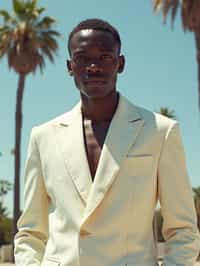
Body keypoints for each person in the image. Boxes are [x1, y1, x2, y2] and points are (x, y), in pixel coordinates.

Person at [14, 18, 200, 266]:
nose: (94, 66)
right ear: (70, 66)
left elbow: (182, 230)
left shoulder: (160, 132)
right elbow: (30, 232)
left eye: (105, 57)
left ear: (120, 63)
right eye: (82, 58)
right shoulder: (44, 137)